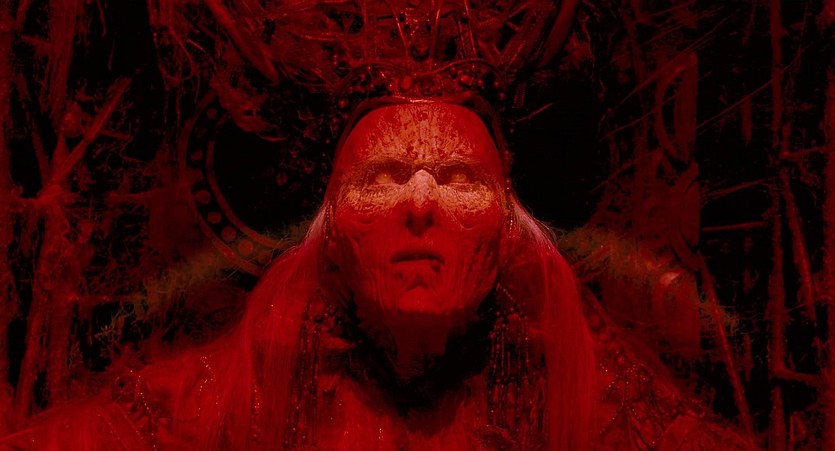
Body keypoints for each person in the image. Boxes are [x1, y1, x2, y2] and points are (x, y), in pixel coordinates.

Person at [1, 95, 754, 450]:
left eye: (458, 178)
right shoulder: (223, 397)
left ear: (505, 234)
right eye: (382, 177)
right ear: (330, 235)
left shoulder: (591, 400)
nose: (419, 204)